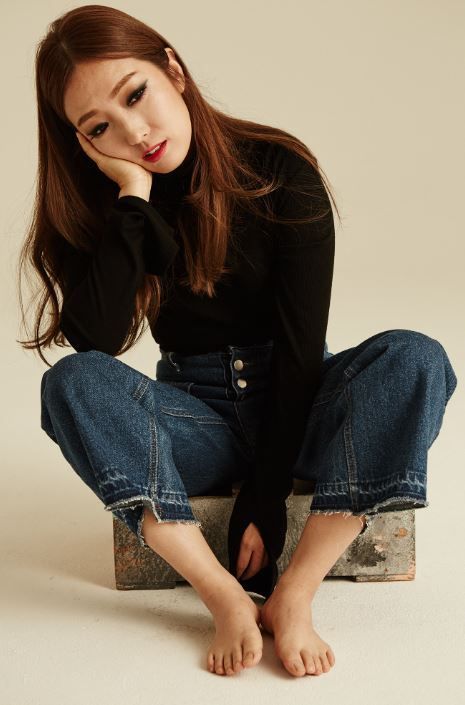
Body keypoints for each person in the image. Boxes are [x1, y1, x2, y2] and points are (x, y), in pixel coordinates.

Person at [18, 5, 458, 680]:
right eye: (99, 126)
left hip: (300, 401)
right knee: (71, 384)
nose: (134, 133)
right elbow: (95, 339)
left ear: (173, 69)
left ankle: (296, 592)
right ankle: (220, 593)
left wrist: (266, 494)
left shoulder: (278, 169)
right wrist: (133, 199)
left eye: (135, 95)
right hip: (199, 423)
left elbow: (301, 348)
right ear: (81, 142)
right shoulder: (113, 208)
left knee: (415, 356)